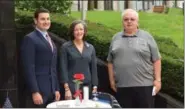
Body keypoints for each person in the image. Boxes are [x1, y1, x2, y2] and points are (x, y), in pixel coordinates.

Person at [107, 9, 161, 108]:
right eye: (126, 19)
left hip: (145, 87)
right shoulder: (115, 38)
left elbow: (156, 59)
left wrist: (158, 80)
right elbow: (110, 61)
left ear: (137, 22)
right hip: (122, 87)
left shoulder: (147, 37)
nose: (129, 21)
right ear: (122, 22)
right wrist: (111, 81)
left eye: (132, 19)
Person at [20, 8, 60, 108]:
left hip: (51, 92)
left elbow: (53, 67)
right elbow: (29, 67)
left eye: (48, 19)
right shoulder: (30, 38)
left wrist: (56, 89)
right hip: (39, 93)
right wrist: (35, 91)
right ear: (35, 21)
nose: (46, 22)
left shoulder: (49, 38)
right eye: (43, 19)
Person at [60, 20, 98, 100]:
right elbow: (63, 68)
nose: (79, 32)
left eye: (81, 29)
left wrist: (95, 85)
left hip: (87, 87)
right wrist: (66, 88)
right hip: (72, 86)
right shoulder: (65, 47)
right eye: (76, 30)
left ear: (84, 31)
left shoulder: (90, 47)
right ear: (72, 32)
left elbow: (94, 68)